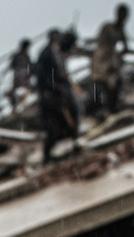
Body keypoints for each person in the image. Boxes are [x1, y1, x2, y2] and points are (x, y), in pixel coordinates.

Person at [34, 29, 79, 162]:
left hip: (57, 94)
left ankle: (73, 146)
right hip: (50, 96)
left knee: (71, 118)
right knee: (53, 128)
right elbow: (44, 76)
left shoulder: (56, 53)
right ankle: (47, 157)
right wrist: (52, 88)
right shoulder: (47, 54)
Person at [91, 4, 130, 116]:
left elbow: (125, 46)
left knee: (114, 83)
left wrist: (118, 55)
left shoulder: (120, 29)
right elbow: (100, 41)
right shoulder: (108, 27)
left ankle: (111, 107)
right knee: (100, 83)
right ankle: (99, 109)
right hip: (102, 58)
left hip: (111, 60)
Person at [9, 39, 33, 112]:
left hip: (18, 76)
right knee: (27, 89)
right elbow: (30, 66)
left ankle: (15, 107)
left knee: (15, 92)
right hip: (22, 76)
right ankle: (16, 107)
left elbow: (11, 66)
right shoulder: (25, 56)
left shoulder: (17, 55)